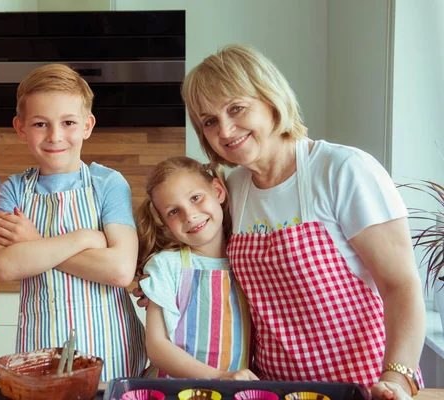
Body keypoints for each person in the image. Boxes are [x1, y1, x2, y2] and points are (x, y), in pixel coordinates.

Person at [179, 44, 425, 399]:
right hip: (276, 389)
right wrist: (162, 282)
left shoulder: (343, 170)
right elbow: (208, 263)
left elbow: (401, 285)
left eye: (237, 108)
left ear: (271, 99)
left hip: (363, 388)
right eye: (209, 121)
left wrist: (397, 378)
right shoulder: (233, 189)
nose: (226, 129)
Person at [0, 63, 146, 381]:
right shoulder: (13, 189)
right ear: (21, 128)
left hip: (110, 345)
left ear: (87, 125)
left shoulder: (109, 184)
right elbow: (5, 266)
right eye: (40, 124)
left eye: (68, 122)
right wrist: (85, 237)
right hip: (41, 345)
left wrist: (34, 247)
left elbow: (119, 270)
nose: (55, 136)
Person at [136, 156, 257, 380]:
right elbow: (157, 347)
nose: (189, 215)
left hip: (232, 390)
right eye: (173, 211)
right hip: (173, 390)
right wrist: (219, 376)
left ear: (218, 191)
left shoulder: (247, 260)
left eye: (195, 198)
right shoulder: (165, 266)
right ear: (164, 221)